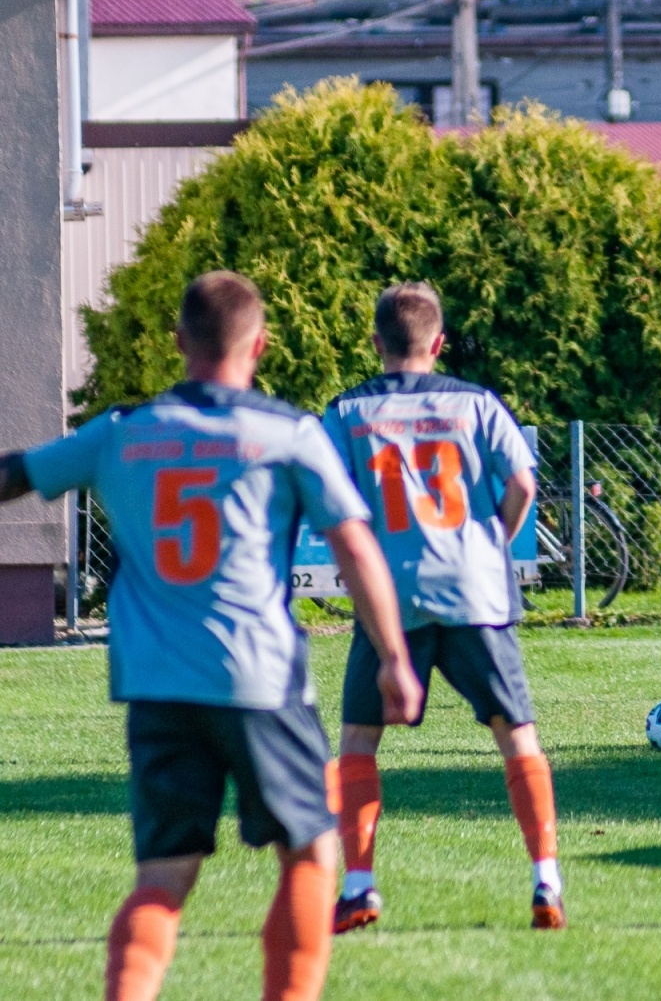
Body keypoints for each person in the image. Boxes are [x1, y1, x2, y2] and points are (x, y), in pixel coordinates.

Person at [0, 272, 423, 1001]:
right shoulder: (287, 433)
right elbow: (356, 548)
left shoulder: (122, 431)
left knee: (162, 880)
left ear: (178, 342)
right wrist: (394, 656)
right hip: (259, 683)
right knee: (313, 854)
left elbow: (19, 474)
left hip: (156, 685)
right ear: (258, 345)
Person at [320, 282, 567, 931]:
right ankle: (546, 881)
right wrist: (492, 542)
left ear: (376, 344)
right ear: (439, 343)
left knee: (358, 740)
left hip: (390, 593)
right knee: (515, 735)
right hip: (475, 588)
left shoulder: (346, 412)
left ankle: (360, 885)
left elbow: (325, 504)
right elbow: (521, 482)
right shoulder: (478, 403)